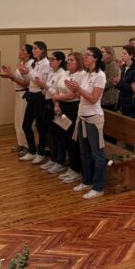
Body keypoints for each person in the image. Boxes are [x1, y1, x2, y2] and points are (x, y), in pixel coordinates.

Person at [67, 47, 108, 199]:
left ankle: (98, 187)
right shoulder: (86, 74)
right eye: (84, 55)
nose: (85, 57)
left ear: (96, 58)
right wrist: (75, 90)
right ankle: (87, 181)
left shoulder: (100, 76)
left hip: (94, 118)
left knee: (97, 154)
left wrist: (78, 89)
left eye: (88, 55)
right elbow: (81, 96)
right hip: (82, 116)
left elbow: (93, 99)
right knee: (84, 153)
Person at [52, 52, 85, 184]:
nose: (69, 62)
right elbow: (57, 89)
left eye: (72, 60)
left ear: (78, 62)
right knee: (62, 137)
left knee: (72, 140)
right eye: (68, 60)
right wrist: (57, 104)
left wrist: (57, 98)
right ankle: (71, 166)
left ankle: (76, 169)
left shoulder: (81, 75)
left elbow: (73, 95)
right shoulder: (65, 73)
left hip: (73, 108)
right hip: (61, 108)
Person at [19, 41, 51, 163]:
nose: (33, 50)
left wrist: (28, 72)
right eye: (32, 48)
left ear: (42, 50)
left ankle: (41, 153)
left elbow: (40, 81)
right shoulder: (35, 63)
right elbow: (30, 80)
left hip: (40, 96)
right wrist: (24, 73)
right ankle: (32, 151)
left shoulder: (46, 64)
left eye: (35, 48)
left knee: (40, 126)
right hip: (32, 95)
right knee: (26, 125)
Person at [0, 43, 33, 154]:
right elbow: (17, 79)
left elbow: (26, 83)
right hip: (18, 94)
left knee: (24, 121)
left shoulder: (31, 64)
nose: (20, 52)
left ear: (29, 54)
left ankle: (27, 145)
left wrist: (12, 76)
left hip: (25, 94)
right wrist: (10, 75)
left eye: (23, 50)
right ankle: (20, 143)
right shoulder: (21, 63)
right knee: (17, 120)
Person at [39, 51, 67, 173]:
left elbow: (57, 92)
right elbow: (47, 91)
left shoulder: (62, 74)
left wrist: (45, 86)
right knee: (51, 133)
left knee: (58, 134)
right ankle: (53, 158)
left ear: (60, 61)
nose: (50, 62)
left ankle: (60, 161)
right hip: (47, 103)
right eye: (49, 59)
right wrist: (42, 86)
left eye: (53, 59)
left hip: (56, 105)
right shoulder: (51, 72)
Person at [117, 44, 135, 118]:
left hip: (132, 104)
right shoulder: (124, 67)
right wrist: (116, 84)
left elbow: (134, 88)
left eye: (124, 54)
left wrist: (119, 83)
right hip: (123, 102)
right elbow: (122, 86)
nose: (122, 55)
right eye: (122, 53)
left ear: (131, 56)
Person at [100, 46, 120, 111]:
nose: (100, 54)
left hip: (109, 97)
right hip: (102, 96)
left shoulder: (113, 65)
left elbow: (111, 82)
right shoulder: (103, 64)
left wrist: (98, 85)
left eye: (102, 52)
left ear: (109, 54)